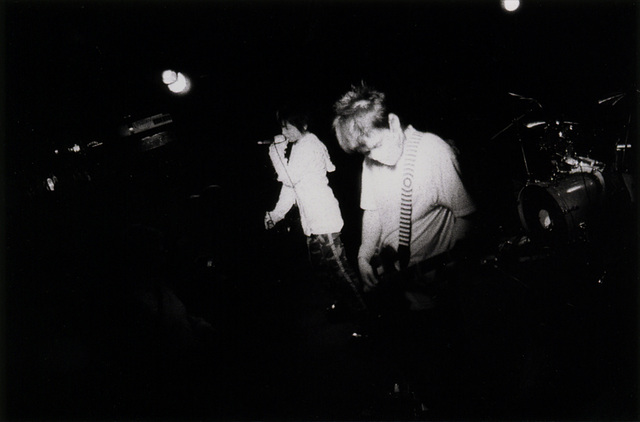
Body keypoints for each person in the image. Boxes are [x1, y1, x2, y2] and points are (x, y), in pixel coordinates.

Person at [332, 83, 477, 311]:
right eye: (366, 152)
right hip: (395, 282)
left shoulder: (433, 151)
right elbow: (373, 211)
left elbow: (466, 216)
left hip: (432, 285)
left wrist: (451, 268)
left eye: (377, 145)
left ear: (393, 123)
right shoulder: (370, 162)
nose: (375, 157)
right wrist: (364, 255)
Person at [264, 106, 367, 323]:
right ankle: (344, 306)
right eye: (282, 127)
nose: (285, 132)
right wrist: (276, 214)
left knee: (340, 270)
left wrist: (275, 151)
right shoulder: (300, 147)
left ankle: (366, 313)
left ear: (303, 125)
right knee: (323, 271)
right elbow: (290, 189)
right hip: (312, 223)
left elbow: (288, 178)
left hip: (324, 219)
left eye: (288, 127)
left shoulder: (310, 145)